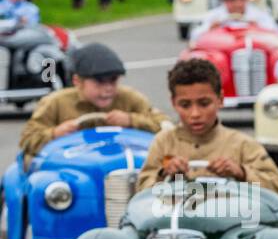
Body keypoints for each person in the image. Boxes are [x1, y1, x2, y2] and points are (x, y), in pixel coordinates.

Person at [137, 57, 278, 226]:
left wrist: (241, 172)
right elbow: (141, 196)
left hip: (231, 229)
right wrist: (164, 174)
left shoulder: (242, 144)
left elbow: (277, 190)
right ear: (173, 103)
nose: (195, 114)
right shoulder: (164, 142)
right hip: (174, 228)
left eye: (204, 103)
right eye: (185, 105)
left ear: (220, 99)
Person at [19, 42, 168, 158]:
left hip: (122, 164)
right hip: (73, 171)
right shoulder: (55, 102)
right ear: (77, 81)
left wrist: (131, 120)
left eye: (113, 80)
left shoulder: (130, 98)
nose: (108, 88)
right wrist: (55, 133)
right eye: (99, 82)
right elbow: (27, 140)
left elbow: (165, 127)